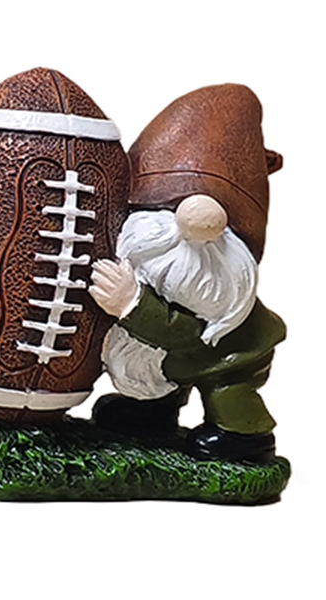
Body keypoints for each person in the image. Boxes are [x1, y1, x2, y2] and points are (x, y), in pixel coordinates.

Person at [90, 84, 284, 462]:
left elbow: (187, 334)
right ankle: (154, 410)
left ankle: (245, 436)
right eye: (162, 212)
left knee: (229, 394)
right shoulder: (143, 251)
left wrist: (131, 304)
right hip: (168, 361)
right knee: (154, 369)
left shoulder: (218, 288)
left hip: (227, 356)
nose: (192, 226)